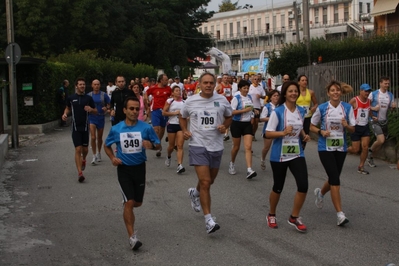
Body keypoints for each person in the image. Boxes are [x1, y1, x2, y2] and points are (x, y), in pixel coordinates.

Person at [104, 96, 161, 251]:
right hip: (124, 169)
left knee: (137, 203)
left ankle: (128, 205)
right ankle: (132, 237)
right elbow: (107, 145)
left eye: (137, 109)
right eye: (131, 109)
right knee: (129, 202)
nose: (135, 112)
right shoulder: (116, 129)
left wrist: (152, 146)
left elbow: (158, 145)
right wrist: (112, 158)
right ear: (124, 110)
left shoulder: (146, 128)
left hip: (140, 168)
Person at [180, 72, 233, 234]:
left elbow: (229, 116)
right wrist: (184, 130)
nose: (208, 85)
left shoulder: (222, 100)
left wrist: (225, 126)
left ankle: (194, 193)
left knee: (209, 182)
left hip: (216, 146)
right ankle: (209, 219)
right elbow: (182, 117)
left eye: (211, 83)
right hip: (198, 145)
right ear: (199, 85)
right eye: (205, 83)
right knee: (205, 182)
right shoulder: (191, 101)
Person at [265, 81, 310, 233]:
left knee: (303, 185)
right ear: (285, 94)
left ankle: (294, 216)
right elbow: (268, 133)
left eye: (295, 91)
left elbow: (300, 127)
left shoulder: (301, 111)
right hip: (279, 155)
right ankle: (271, 214)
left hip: (296, 152)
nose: (293, 94)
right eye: (290, 91)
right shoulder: (277, 112)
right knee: (278, 187)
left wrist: (304, 135)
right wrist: (283, 133)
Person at [310, 81, 355, 226]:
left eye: (338, 91)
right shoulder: (322, 108)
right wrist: (321, 131)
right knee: (335, 179)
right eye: (333, 90)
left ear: (341, 93)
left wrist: (347, 125)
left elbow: (353, 129)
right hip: (325, 148)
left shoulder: (347, 108)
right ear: (328, 93)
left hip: (340, 148)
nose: (335, 93)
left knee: (333, 177)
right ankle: (340, 214)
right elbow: (311, 126)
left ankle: (320, 193)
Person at [62, 78, 97, 182]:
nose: (82, 86)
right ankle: (79, 173)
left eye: (84, 84)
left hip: (85, 127)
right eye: (80, 84)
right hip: (75, 128)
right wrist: (64, 114)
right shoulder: (71, 98)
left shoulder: (88, 98)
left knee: (85, 149)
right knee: (78, 149)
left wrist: (91, 110)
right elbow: (68, 108)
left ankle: (84, 159)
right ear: (76, 86)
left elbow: (95, 111)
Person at [228, 80, 257, 179]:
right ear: (240, 88)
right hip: (236, 124)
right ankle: (232, 163)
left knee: (248, 147)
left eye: (247, 88)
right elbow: (231, 112)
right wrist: (243, 110)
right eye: (244, 88)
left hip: (247, 124)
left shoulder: (249, 97)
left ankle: (249, 169)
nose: (246, 90)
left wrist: (253, 114)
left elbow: (251, 109)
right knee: (236, 147)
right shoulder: (236, 98)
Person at [367, 76, 396, 167]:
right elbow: (365, 106)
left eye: (388, 83)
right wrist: (373, 108)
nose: (387, 85)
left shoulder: (390, 95)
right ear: (380, 83)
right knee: (381, 140)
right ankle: (369, 152)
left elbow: (391, 110)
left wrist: (393, 108)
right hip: (374, 120)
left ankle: (370, 157)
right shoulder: (373, 94)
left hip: (384, 121)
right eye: (385, 83)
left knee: (381, 142)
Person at [347, 83, 372, 174]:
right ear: (360, 91)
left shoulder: (369, 101)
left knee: (365, 147)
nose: (367, 93)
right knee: (355, 149)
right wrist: (348, 123)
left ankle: (361, 166)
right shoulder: (354, 100)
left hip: (365, 126)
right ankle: (345, 149)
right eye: (365, 91)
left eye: (369, 91)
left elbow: (369, 111)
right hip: (355, 127)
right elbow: (346, 110)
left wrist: (372, 117)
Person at [144, 74, 172, 157]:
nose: (167, 81)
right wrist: (146, 100)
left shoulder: (168, 89)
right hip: (155, 110)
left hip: (164, 111)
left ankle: (158, 143)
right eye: (166, 80)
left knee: (162, 129)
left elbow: (172, 96)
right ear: (161, 80)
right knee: (156, 129)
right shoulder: (153, 88)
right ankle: (156, 143)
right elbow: (146, 93)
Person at [162, 85, 186, 174]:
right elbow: (164, 113)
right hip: (171, 124)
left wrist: (186, 117)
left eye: (179, 90)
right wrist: (174, 113)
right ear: (172, 93)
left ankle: (180, 165)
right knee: (171, 146)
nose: (178, 92)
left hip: (180, 125)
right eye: (176, 90)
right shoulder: (169, 101)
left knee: (180, 146)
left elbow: (187, 114)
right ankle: (168, 156)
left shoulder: (184, 102)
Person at [88, 79, 111, 165]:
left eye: (98, 84)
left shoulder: (103, 95)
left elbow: (109, 104)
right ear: (92, 85)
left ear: (100, 85)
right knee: (93, 137)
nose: (96, 86)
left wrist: (106, 108)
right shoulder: (89, 95)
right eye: (95, 84)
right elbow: (85, 105)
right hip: (92, 118)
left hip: (101, 117)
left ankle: (99, 152)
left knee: (99, 138)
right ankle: (94, 156)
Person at [296, 74, 318, 149]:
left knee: (305, 135)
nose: (305, 82)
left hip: (307, 117)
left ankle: (302, 149)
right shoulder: (295, 92)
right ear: (299, 82)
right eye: (302, 80)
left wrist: (314, 107)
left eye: (306, 80)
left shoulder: (311, 92)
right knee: (297, 134)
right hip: (297, 117)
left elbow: (316, 103)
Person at [260, 89, 280, 170]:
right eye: (274, 96)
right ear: (270, 98)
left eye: (278, 96)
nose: (276, 97)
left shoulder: (281, 106)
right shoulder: (267, 106)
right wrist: (272, 118)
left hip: (278, 130)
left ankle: (278, 162)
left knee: (278, 146)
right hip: (269, 129)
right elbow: (262, 118)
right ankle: (263, 159)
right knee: (267, 147)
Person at [215, 74, 233, 141]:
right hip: (221, 104)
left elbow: (230, 94)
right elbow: (214, 94)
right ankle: (219, 130)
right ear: (222, 79)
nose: (226, 79)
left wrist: (231, 97)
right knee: (221, 119)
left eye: (227, 78)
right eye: (225, 78)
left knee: (228, 118)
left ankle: (226, 134)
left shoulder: (230, 86)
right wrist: (221, 95)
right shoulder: (219, 86)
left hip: (228, 103)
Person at [248, 75, 265, 141]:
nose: (256, 80)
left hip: (257, 106)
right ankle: (249, 133)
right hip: (250, 106)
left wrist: (260, 96)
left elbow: (264, 96)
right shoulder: (250, 87)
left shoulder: (260, 88)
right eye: (255, 79)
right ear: (252, 80)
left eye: (258, 79)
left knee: (256, 122)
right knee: (252, 121)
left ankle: (253, 134)